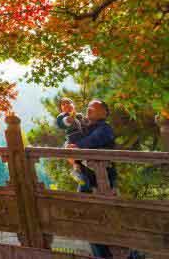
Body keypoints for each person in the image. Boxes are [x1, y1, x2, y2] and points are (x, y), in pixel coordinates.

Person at [66, 100, 116, 258]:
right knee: (86, 220)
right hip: (86, 179)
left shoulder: (105, 129)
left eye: (94, 108)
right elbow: (71, 141)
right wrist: (68, 148)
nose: (89, 110)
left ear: (104, 113)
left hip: (102, 182)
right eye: (88, 107)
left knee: (101, 220)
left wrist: (76, 149)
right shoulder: (86, 128)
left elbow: (91, 142)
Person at [55, 97, 88, 185]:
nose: (66, 105)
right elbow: (62, 124)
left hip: (84, 140)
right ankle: (77, 171)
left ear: (73, 105)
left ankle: (83, 170)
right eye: (63, 104)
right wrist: (68, 119)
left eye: (68, 102)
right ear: (61, 108)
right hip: (73, 140)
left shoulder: (80, 116)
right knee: (72, 155)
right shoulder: (62, 116)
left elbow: (87, 125)